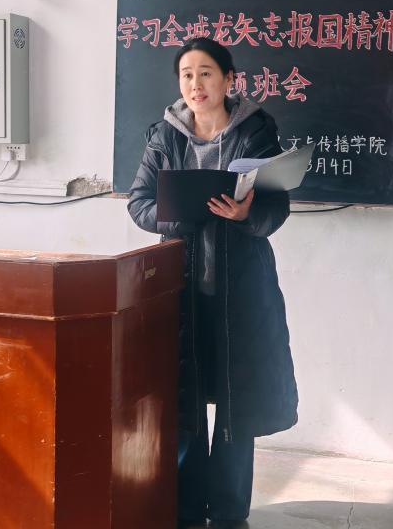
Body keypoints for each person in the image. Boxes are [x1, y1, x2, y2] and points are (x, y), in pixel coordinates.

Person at [127, 37, 299, 527]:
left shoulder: (256, 132)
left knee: (234, 403)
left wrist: (246, 215)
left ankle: (227, 511)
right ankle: (185, 509)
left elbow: (276, 206)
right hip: (179, 291)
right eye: (187, 74)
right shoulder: (164, 135)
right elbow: (139, 202)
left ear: (228, 80)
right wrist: (177, 217)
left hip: (240, 291)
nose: (195, 84)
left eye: (205, 73)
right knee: (182, 402)